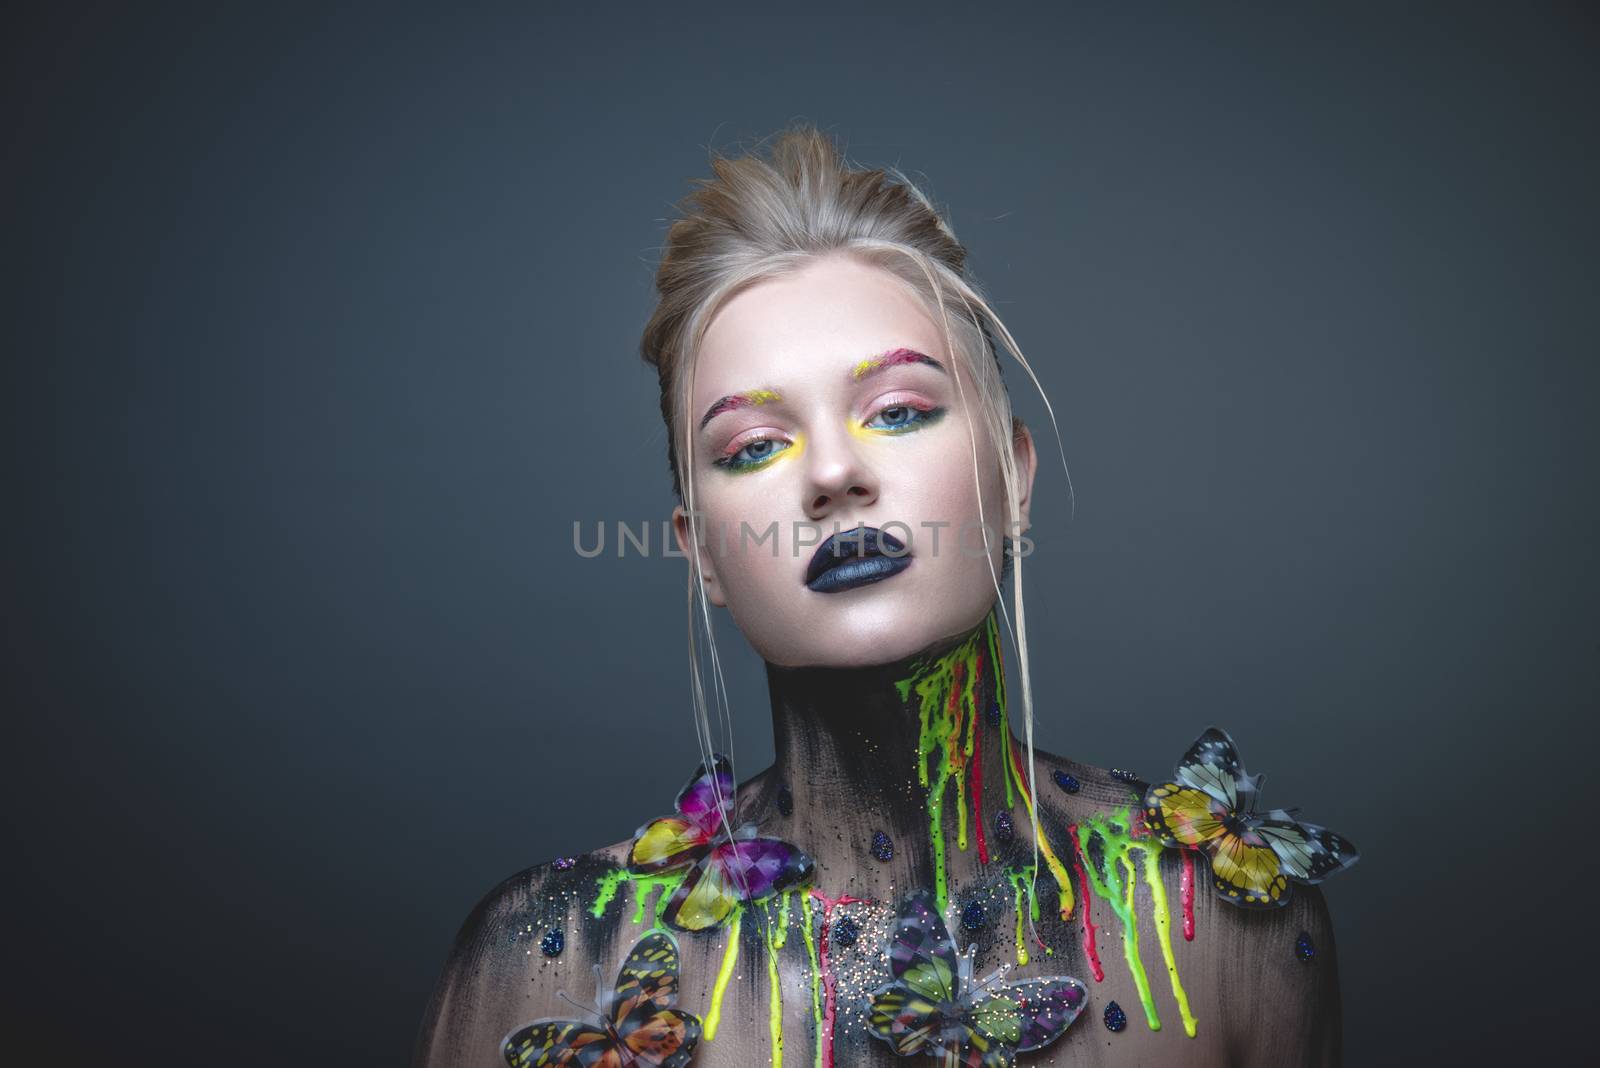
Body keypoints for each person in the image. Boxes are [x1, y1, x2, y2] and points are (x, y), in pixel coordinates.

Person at [414, 125, 1347, 1067]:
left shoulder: (1224, 919)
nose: (831, 473)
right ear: (702, 556)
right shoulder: (553, 957)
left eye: (898, 411)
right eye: (753, 447)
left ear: (1015, 480)